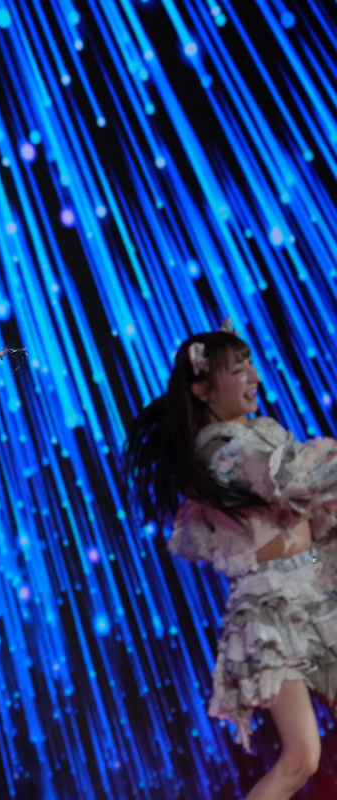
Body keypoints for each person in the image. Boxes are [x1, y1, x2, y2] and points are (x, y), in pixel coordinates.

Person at [125, 325, 337, 800]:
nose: (254, 377)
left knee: (304, 757)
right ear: (203, 389)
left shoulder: (258, 432)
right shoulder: (220, 450)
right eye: (239, 370)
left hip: (316, 589)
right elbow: (294, 477)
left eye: (251, 366)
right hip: (273, 607)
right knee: (301, 758)